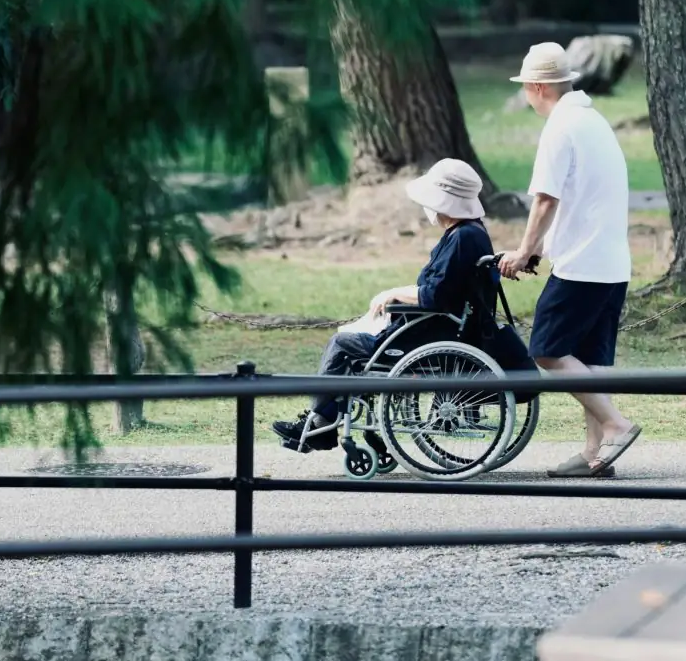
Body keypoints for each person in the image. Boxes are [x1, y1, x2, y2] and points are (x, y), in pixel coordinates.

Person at [272, 158, 496, 452]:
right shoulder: (471, 233)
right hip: (442, 329)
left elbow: (436, 296)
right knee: (352, 338)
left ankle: (319, 424)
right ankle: (325, 418)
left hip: (430, 335)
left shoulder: (461, 238)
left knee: (340, 344)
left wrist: (395, 294)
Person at [499, 42, 641, 478]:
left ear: (538, 87)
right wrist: (541, 248)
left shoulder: (560, 127)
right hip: (612, 262)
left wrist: (524, 251)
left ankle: (617, 426)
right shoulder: (592, 121)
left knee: (547, 350)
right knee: (589, 358)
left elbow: (546, 200)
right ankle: (595, 454)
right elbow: (582, 200)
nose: (526, 94)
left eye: (526, 87)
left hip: (582, 266)